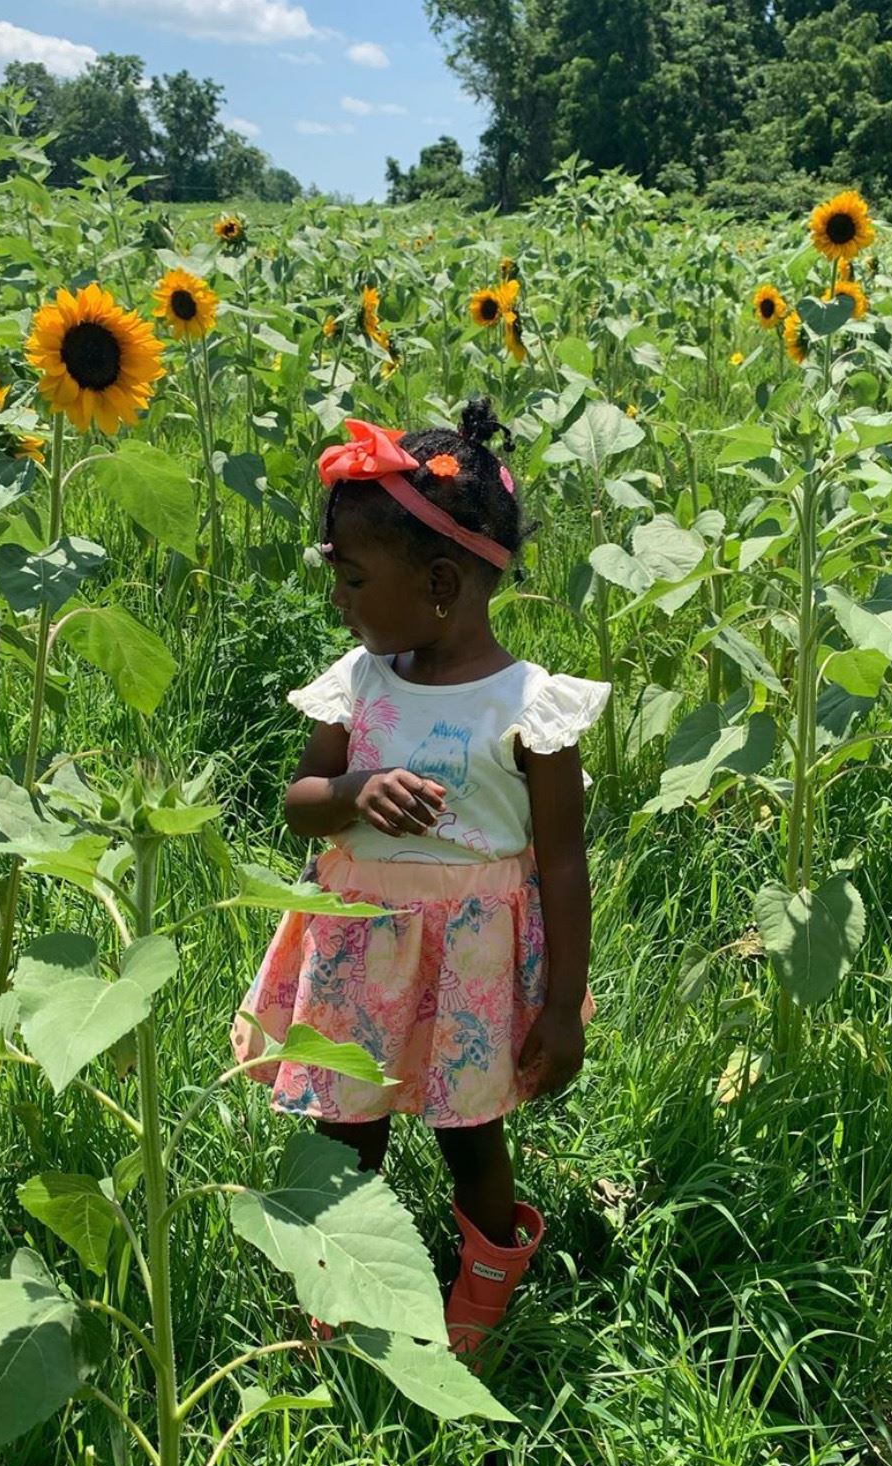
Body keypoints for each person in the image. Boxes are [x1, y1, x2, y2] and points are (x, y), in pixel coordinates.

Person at [229, 399, 611, 1358]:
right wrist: (355, 789)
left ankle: (485, 1276)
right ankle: (341, 1286)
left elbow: (561, 865)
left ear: (441, 583)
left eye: (353, 580)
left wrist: (562, 1008)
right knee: (343, 1127)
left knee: (469, 1136)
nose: (339, 602)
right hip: (358, 953)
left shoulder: (531, 711)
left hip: (467, 971)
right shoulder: (358, 683)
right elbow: (302, 800)